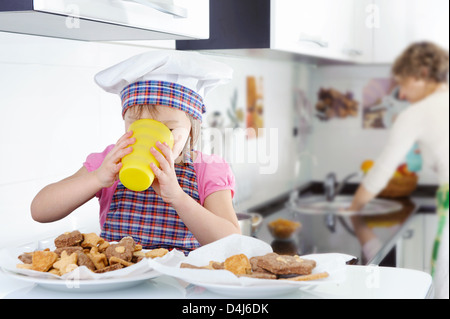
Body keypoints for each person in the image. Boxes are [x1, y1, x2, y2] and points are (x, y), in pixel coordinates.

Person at [30, 50, 241, 254]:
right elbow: (39, 210)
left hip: (183, 286)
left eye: (168, 130)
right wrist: (97, 178)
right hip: (117, 281)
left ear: (191, 130)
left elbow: (233, 243)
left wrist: (177, 197)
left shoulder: (208, 170)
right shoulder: (110, 162)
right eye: (139, 127)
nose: (151, 141)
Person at [349, 42, 449, 299]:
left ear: (422, 74)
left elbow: (382, 170)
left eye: (403, 83)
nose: (401, 95)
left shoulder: (418, 113)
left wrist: (354, 208)